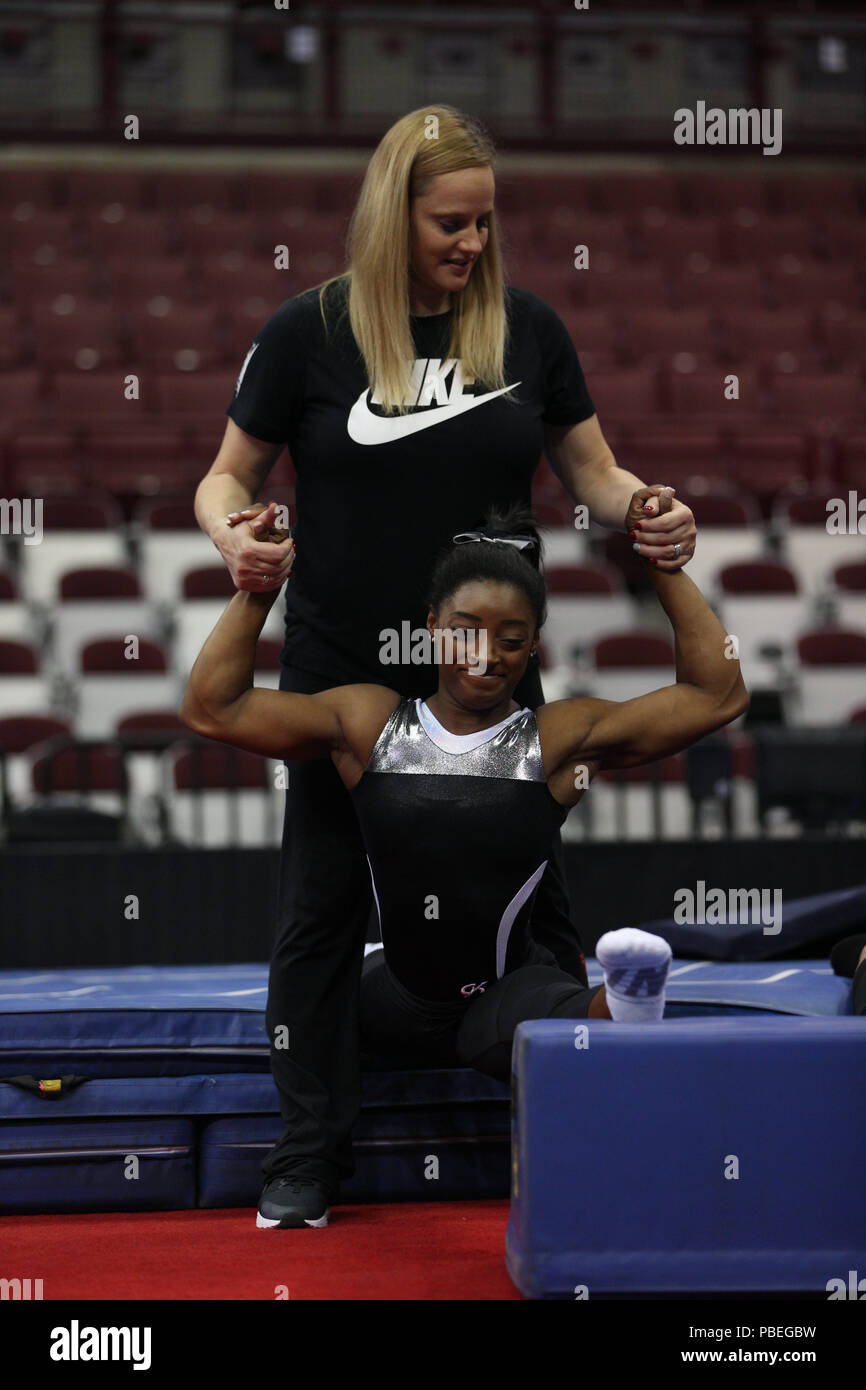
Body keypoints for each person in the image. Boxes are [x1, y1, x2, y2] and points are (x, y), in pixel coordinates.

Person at [192, 102, 698, 1227]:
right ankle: (308, 1153)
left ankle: (580, 1113)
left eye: (482, 224)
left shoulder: (526, 330)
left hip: (483, 667)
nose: (470, 244)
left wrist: (645, 509)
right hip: (341, 672)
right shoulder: (307, 333)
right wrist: (234, 533)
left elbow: (594, 472)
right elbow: (223, 480)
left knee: (529, 909)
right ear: (392, 217)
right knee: (321, 905)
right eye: (448, 224)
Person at [180, 501, 746, 1228]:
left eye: (511, 639)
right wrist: (260, 588)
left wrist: (664, 568)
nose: (487, 653)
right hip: (399, 995)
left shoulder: (558, 737)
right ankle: (307, 1165)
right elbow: (212, 708)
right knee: (318, 998)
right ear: (430, 630)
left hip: (503, 992)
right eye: (466, 631)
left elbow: (717, 693)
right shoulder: (370, 722)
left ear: (533, 646)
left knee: (532, 1016)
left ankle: (626, 1005)